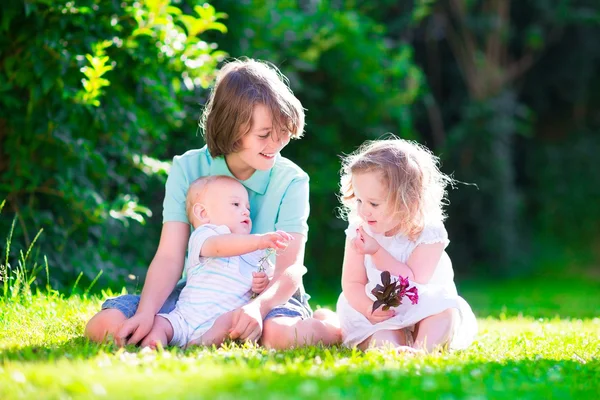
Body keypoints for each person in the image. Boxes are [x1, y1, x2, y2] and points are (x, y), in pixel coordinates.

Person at [85, 58, 341, 349]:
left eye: (283, 132)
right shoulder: (188, 168)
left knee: (278, 336)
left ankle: (326, 322)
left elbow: (290, 268)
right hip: (200, 295)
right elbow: (170, 256)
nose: (278, 143)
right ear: (231, 128)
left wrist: (257, 308)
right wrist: (145, 313)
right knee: (105, 327)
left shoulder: (292, 180)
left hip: (268, 298)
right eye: (265, 134)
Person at [335, 137, 477, 353]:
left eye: (374, 203)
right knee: (379, 331)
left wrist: (376, 251)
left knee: (444, 312)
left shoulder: (429, 232)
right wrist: (367, 308)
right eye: (359, 200)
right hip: (377, 307)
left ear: (407, 200)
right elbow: (352, 282)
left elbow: (413, 282)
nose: (364, 210)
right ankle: (392, 349)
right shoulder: (359, 229)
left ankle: (422, 349)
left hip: (422, 305)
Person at [141, 175, 293, 348]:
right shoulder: (205, 235)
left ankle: (199, 344)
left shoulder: (257, 253)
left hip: (220, 322)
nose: (246, 211)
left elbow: (269, 283)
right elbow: (219, 247)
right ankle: (152, 346)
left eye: (247, 207)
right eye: (236, 204)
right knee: (160, 323)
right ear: (203, 213)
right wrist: (259, 241)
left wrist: (262, 284)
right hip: (185, 317)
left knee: (229, 321)